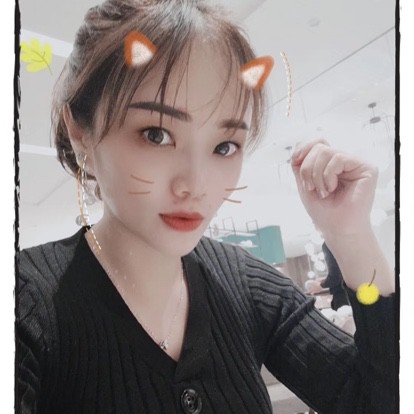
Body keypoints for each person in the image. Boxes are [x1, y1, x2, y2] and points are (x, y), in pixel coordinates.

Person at [16, 0, 396, 413]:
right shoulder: (24, 302)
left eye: (225, 146)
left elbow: (379, 400)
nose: (196, 186)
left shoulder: (248, 286)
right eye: (156, 134)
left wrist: (351, 237)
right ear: (81, 134)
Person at [306, 242, 350, 311]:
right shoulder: (352, 240)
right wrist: (324, 281)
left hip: (344, 296)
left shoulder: (330, 243)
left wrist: (320, 285)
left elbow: (335, 277)